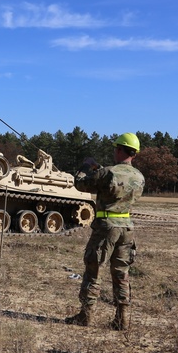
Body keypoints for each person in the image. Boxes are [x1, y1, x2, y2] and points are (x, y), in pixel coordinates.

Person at [65, 132, 145, 330]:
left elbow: (80, 183)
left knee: (94, 270)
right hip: (127, 227)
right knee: (121, 273)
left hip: (106, 227)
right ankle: (122, 319)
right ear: (134, 153)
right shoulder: (139, 177)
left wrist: (86, 167)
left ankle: (86, 315)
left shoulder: (108, 172)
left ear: (119, 150)